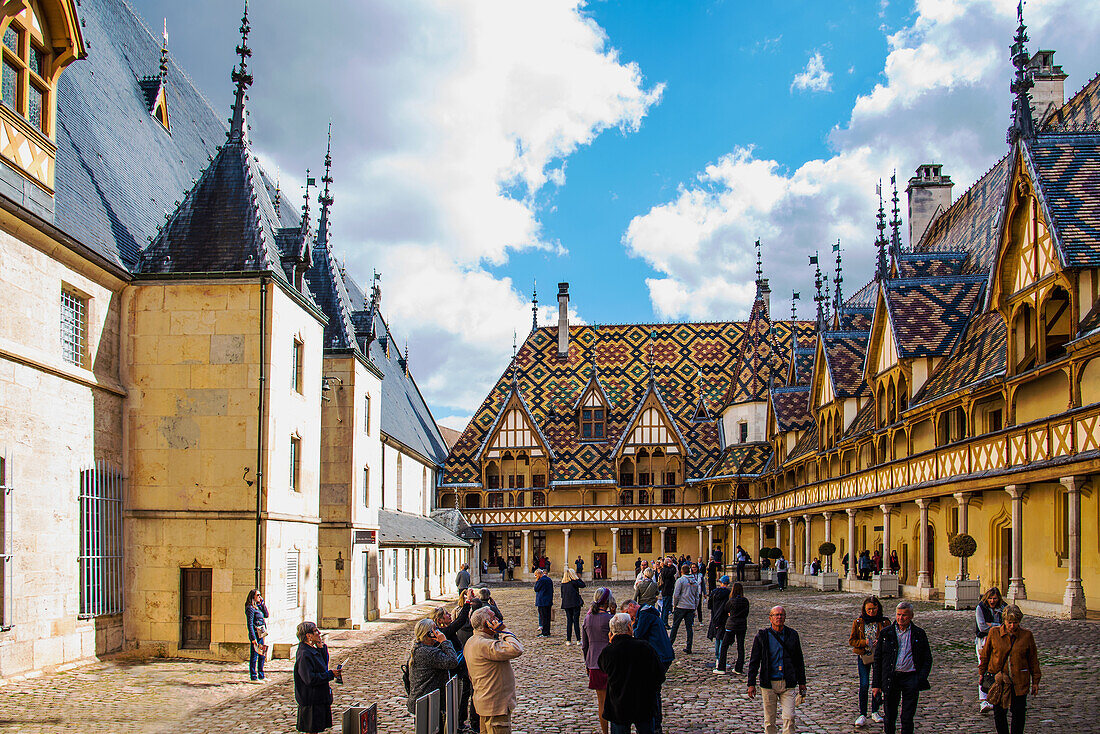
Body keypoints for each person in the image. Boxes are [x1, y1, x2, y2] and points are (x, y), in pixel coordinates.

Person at [598, 612, 664, 734]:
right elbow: (659, 674)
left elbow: (602, 666)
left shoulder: (609, 652)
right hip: (643, 702)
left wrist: (611, 644)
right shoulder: (645, 647)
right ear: (630, 627)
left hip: (619, 704)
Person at [979, 604, 1040, 734]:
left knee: (1019, 711)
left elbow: (1033, 660)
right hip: (999, 680)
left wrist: (1035, 681)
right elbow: (985, 654)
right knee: (999, 712)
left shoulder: (1027, 636)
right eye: (1010, 622)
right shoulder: (994, 633)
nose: (1012, 626)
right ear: (1004, 621)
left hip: (1019, 679)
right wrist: (981, 673)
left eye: (1015, 623)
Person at [873, 601, 933, 734]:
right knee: (889, 716)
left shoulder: (919, 634)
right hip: (892, 677)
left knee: (907, 716)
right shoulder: (886, 634)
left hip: (910, 677)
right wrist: (876, 684)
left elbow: (927, 658)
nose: (901, 618)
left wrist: (920, 678)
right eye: (898, 615)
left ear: (911, 616)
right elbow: (878, 660)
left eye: (904, 615)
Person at [747, 606, 807, 734]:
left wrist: (802, 682)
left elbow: (798, 660)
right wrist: (751, 683)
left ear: (785, 617)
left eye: (781, 615)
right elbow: (754, 661)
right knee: (769, 720)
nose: (779, 617)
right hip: (769, 683)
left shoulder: (792, 635)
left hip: (787, 682)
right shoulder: (762, 636)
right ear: (770, 618)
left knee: (790, 717)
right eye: (776, 615)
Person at [464, 606, 524, 734]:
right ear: (487, 624)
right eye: (494, 618)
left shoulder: (471, 641)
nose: (497, 620)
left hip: (484, 702)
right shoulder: (484, 644)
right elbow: (517, 649)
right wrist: (503, 630)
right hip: (495, 705)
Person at [430, 605, 477, 734]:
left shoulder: (444, 631)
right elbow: (460, 621)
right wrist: (467, 603)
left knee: (462, 694)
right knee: (460, 695)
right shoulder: (443, 633)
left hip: (458, 666)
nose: (450, 615)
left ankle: (458, 721)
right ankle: (458, 723)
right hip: (455, 669)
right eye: (446, 614)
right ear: (440, 620)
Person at [406, 618, 459, 731]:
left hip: (426, 699)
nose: (439, 631)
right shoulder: (427, 652)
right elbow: (452, 661)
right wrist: (444, 641)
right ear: (428, 634)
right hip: (427, 701)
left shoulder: (422, 648)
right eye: (435, 629)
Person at [294, 621, 341, 733]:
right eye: (315, 631)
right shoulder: (304, 653)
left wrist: (321, 648)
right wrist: (330, 674)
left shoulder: (312, 650)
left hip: (318, 697)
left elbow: (323, 666)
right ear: (308, 635)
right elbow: (309, 679)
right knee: (311, 730)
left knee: (317, 729)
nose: (319, 633)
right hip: (311, 700)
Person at [582, 588, 616, 734]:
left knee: (601, 702)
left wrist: (587, 663)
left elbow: (585, 645)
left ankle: (605, 732)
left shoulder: (588, 618)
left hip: (594, 662)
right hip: (611, 664)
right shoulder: (610, 620)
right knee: (615, 700)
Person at [849, 595, 887, 727]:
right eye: (869, 609)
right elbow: (852, 641)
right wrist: (863, 642)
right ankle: (862, 713)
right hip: (864, 656)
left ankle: (875, 711)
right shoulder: (859, 622)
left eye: (874, 609)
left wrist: (881, 642)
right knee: (864, 684)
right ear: (864, 609)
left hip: (879, 656)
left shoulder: (884, 622)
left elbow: (889, 639)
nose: (871, 612)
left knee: (878, 685)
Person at [975, 586, 1008, 713]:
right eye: (990, 598)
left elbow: (1006, 625)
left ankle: (996, 696)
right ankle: (984, 699)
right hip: (984, 640)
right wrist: (998, 626)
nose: (992, 601)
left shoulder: (1004, 607)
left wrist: (992, 625)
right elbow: (982, 627)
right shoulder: (981, 608)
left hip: (1000, 640)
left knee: (997, 667)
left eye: (995, 598)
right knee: (983, 667)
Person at [718, 582, 749, 674]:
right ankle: (739, 668)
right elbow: (746, 613)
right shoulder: (745, 601)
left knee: (724, 646)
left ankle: (721, 667)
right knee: (740, 646)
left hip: (731, 625)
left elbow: (726, 610)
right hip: (742, 625)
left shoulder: (731, 601)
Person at [669, 563, 700, 653]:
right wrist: (695, 607)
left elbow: (676, 594)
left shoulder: (680, 580)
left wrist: (674, 605)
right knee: (689, 628)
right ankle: (689, 646)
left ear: (681, 571)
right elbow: (697, 597)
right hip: (690, 607)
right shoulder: (694, 581)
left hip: (681, 606)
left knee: (675, 626)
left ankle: (669, 644)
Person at [707, 575, 731, 670]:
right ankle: (721, 660)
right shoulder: (728, 594)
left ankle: (718, 658)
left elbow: (709, 606)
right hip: (724, 618)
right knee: (722, 639)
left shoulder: (714, 592)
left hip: (714, 617)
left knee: (717, 638)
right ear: (727, 583)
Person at [245, 589, 269, 682]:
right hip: (255, 634)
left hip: (261, 634)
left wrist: (262, 604)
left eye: (260, 595)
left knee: (262, 654)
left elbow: (266, 615)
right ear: (253, 597)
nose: (259, 596)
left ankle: (261, 675)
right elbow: (249, 623)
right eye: (258, 595)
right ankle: (253, 676)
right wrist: (252, 638)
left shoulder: (258, 607)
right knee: (254, 655)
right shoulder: (250, 608)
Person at [561, 567, 587, 645]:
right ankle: (578, 639)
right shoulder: (574, 582)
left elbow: (562, 595)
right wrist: (577, 578)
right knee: (576, 621)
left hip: (566, 604)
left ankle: (568, 640)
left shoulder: (563, 584)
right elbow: (583, 585)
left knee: (569, 621)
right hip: (575, 603)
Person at [533, 569, 553, 637]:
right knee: (547, 617)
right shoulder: (549, 579)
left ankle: (544, 632)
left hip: (542, 601)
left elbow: (536, 588)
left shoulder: (541, 580)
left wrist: (537, 581)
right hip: (548, 601)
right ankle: (547, 631)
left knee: (543, 617)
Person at [659, 559, 677, 629]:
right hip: (667, 590)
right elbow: (673, 571)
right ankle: (664, 623)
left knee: (665, 607)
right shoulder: (666, 570)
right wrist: (672, 565)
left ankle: (663, 621)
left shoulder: (665, 569)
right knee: (666, 607)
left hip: (667, 590)